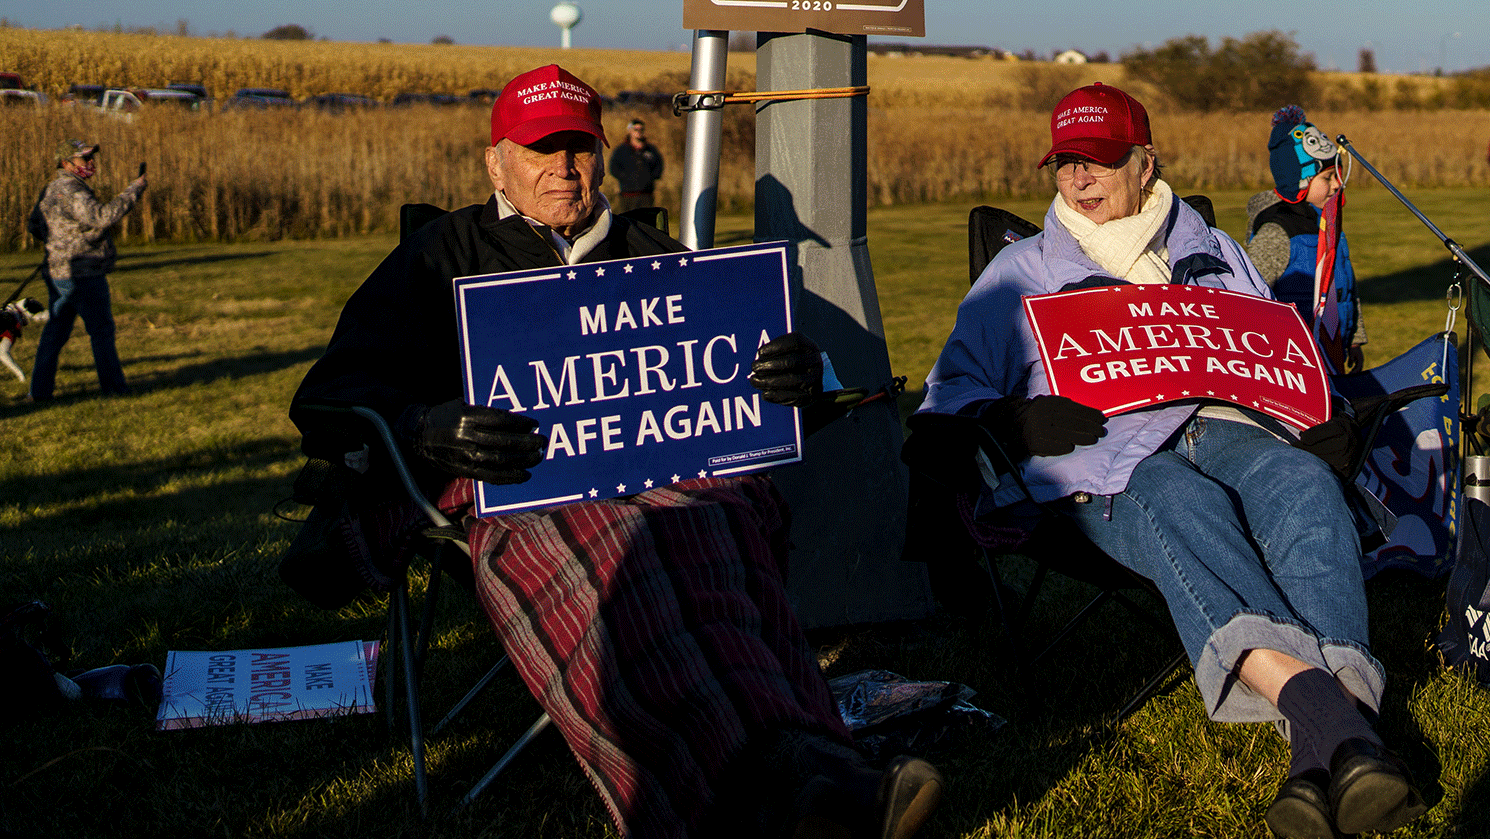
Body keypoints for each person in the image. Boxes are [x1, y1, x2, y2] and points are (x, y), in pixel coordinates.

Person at [288, 64, 942, 839]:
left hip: (671, 479)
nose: (563, 168)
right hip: (517, 491)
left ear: (602, 154)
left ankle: (803, 773)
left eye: (579, 148)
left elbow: (768, 370)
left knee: (715, 520)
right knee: (614, 550)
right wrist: (421, 423)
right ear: (495, 162)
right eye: (538, 150)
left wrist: (800, 374)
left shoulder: (647, 250)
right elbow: (326, 396)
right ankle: (793, 779)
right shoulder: (440, 253)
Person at [913, 83, 1427, 839]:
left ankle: (1317, 764)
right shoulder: (1021, 273)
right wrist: (1013, 419)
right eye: (1066, 163)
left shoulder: (1210, 249)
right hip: (1107, 459)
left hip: (1230, 429)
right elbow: (947, 394)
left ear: (1145, 163)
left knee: (1304, 482)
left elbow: (1281, 352)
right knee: (1177, 500)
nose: (1081, 178)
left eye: (1100, 160)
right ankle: (1342, 727)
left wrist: (1323, 415)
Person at [1246, 106, 1367, 373]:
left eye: (1338, 175)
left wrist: (1354, 340)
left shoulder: (1327, 224)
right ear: (1300, 181)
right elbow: (1250, 298)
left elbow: (1345, 286)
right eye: (1327, 177)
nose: (1337, 184)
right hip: (1295, 361)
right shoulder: (1277, 232)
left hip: (1332, 354)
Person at [26, 139, 146, 401]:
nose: (91, 163)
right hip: (84, 274)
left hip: (57, 273)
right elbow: (102, 216)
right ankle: (114, 390)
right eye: (84, 159)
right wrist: (134, 189)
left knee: (54, 333)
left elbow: (34, 225)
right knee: (101, 331)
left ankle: (39, 392)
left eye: (92, 158)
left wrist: (57, 243)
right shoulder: (74, 190)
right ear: (66, 163)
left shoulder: (50, 189)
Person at [608, 117, 664, 213]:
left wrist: (650, 178)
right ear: (630, 131)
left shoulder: (650, 150)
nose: (639, 132)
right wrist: (625, 178)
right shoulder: (621, 150)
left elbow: (659, 165)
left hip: (646, 194)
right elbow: (613, 167)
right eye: (636, 129)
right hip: (627, 195)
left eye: (641, 129)